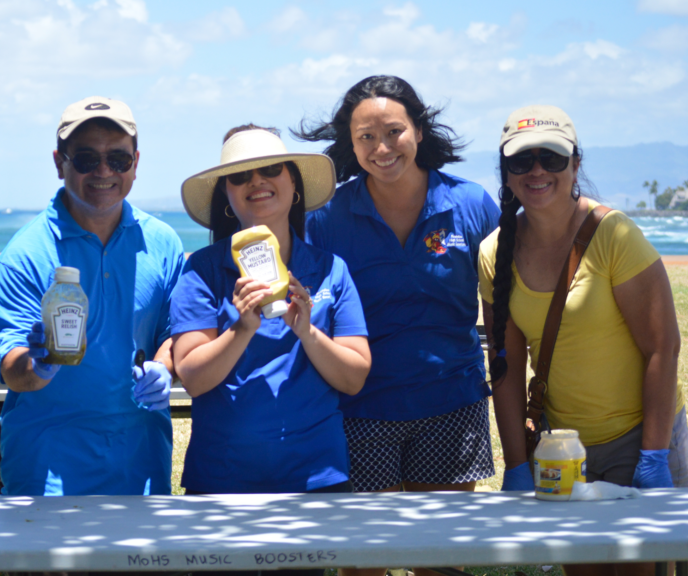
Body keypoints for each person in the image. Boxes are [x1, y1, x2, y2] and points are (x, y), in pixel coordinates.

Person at [295, 75, 500, 576]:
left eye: (394, 131)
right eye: (366, 137)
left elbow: (507, 301)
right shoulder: (327, 217)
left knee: (441, 563)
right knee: (365, 563)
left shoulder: (470, 204)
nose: (382, 147)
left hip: (451, 404)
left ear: (419, 131)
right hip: (362, 410)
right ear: (350, 143)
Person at [479, 105, 686, 576]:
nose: (536, 171)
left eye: (551, 159)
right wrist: (515, 465)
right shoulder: (495, 252)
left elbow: (662, 347)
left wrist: (653, 456)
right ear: (506, 173)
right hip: (563, 449)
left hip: (641, 439)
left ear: (575, 164)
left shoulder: (614, 234)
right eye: (521, 161)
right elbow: (505, 365)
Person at [0, 96, 184, 497]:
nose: (104, 170)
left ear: (136, 163)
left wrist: (164, 367)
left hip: (141, 466)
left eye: (118, 159)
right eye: (87, 158)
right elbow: (10, 368)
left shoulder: (163, 243)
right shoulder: (24, 255)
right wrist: (36, 365)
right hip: (46, 470)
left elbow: (178, 333)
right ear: (60, 163)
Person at [172, 124, 371, 507]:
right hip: (220, 479)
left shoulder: (331, 270)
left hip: (316, 478)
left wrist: (308, 332)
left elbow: (354, 377)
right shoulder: (201, 271)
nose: (257, 182)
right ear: (227, 196)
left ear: (294, 184)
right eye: (240, 176)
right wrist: (242, 329)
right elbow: (193, 378)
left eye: (271, 170)